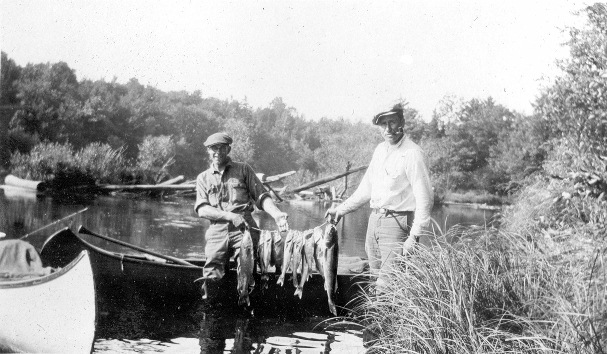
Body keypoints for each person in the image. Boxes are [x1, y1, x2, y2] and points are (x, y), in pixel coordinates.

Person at [325, 104, 433, 282]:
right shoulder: (380, 150)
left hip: (398, 223)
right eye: (383, 124)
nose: (388, 129)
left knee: (390, 284)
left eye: (392, 122)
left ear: (402, 122)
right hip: (374, 221)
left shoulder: (413, 153)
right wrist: (340, 210)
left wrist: (414, 237)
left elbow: (425, 200)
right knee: (375, 279)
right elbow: (366, 189)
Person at [195, 132, 289, 300]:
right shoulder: (203, 178)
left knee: (248, 272)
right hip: (217, 231)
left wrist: (277, 215)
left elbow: (262, 196)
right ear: (208, 151)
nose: (217, 152)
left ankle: (246, 305)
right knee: (212, 275)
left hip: (245, 230)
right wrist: (230, 216)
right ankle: (213, 308)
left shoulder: (243, 169)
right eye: (213, 148)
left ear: (228, 149)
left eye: (221, 148)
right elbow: (202, 209)